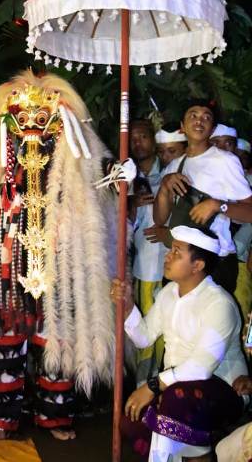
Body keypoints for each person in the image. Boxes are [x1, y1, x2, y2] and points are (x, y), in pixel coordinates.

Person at [0, 70, 118, 445]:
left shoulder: (77, 159)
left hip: (59, 264)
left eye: (43, 119)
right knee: (5, 340)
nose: (32, 128)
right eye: (21, 120)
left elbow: (103, 179)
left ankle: (55, 416)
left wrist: (121, 176)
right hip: (7, 265)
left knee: (57, 339)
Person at [111, 225, 247, 461]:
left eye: (177, 252)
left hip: (223, 389)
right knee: (131, 419)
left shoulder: (218, 304)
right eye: (171, 249)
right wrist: (128, 304)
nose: (167, 256)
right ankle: (191, 455)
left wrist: (152, 386)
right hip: (176, 387)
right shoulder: (170, 292)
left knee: (175, 400)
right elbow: (144, 337)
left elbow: (200, 369)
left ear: (198, 265)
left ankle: (193, 456)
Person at [153, 99, 252, 294]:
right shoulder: (176, 166)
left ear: (212, 128)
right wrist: (165, 187)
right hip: (181, 263)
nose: (199, 121)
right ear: (182, 127)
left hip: (216, 262)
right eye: (193, 116)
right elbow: (159, 219)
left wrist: (217, 205)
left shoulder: (225, 161)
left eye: (206, 117)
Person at [129, 120, 167, 385]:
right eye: (132, 138)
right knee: (143, 328)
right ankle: (144, 386)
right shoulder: (126, 179)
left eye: (143, 136)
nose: (137, 142)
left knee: (168, 327)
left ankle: (165, 381)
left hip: (173, 264)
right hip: (142, 267)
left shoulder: (170, 172)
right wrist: (130, 204)